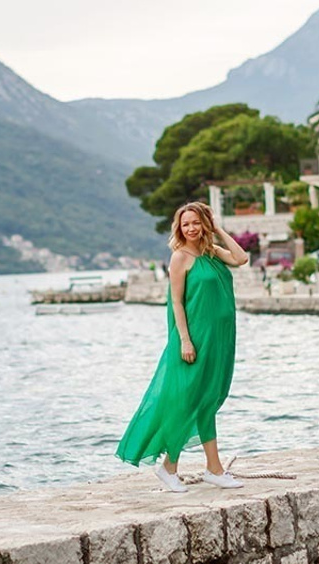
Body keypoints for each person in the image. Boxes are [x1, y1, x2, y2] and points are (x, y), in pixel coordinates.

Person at [116, 201, 250, 492]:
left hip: (219, 338)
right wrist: (185, 340)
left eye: (196, 222)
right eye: (185, 223)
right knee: (187, 402)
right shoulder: (180, 257)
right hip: (195, 339)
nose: (191, 228)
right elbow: (176, 302)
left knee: (208, 401)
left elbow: (241, 258)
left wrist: (218, 229)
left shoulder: (211, 252)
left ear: (204, 224)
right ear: (179, 228)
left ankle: (212, 469)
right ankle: (172, 467)